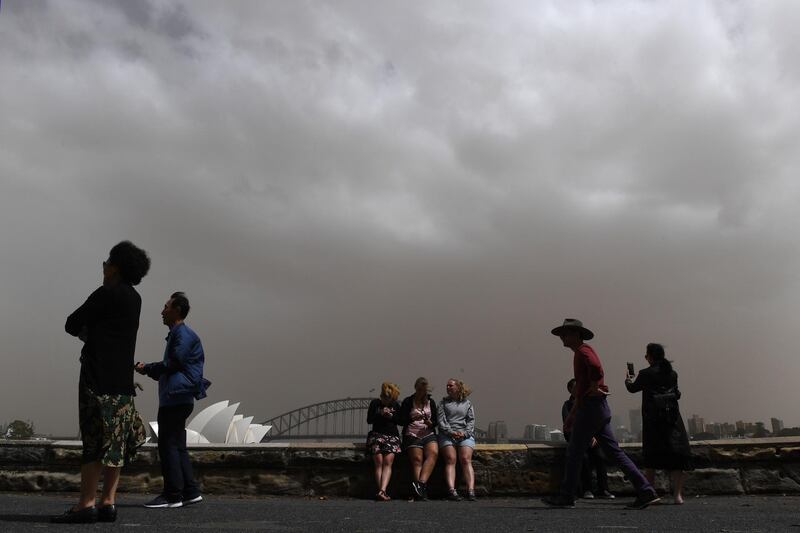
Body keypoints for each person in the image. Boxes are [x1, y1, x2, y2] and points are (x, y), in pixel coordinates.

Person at [53, 241, 150, 524]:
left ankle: (85, 504)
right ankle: (108, 501)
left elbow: (72, 323)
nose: (104, 266)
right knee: (116, 443)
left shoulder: (105, 293)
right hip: (122, 383)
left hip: (97, 379)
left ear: (115, 267)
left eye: (106, 262)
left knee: (93, 442)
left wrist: (90, 332)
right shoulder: (136, 299)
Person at [543, 319, 660, 509]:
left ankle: (566, 496)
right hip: (596, 408)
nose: (562, 338)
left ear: (577, 334)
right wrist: (573, 414)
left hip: (590, 409)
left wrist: (595, 386)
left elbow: (596, 367)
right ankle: (646, 490)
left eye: (566, 333)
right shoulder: (582, 351)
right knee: (615, 453)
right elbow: (581, 391)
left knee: (574, 453)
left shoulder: (583, 351)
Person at [135, 292, 208, 508]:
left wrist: (148, 368)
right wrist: (148, 370)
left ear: (176, 310)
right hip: (179, 397)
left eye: (166, 307)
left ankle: (172, 495)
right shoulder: (179, 335)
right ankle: (190, 491)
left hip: (175, 398)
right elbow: (172, 366)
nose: (162, 311)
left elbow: (174, 364)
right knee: (178, 445)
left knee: (167, 445)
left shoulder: (183, 334)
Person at [625, 343, 692, 504]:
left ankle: (650, 492)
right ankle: (678, 496)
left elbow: (633, 388)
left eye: (646, 355)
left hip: (653, 420)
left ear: (650, 356)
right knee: (677, 457)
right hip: (672, 418)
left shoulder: (645, 373)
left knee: (651, 458)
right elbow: (677, 393)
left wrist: (628, 379)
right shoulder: (672, 373)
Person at [561, 378, 614, 500]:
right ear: (570, 390)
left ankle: (604, 489)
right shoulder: (568, 405)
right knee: (583, 457)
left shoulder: (587, 402)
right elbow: (568, 425)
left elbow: (594, 421)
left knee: (599, 456)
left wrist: (593, 436)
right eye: (575, 387)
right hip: (577, 438)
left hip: (591, 437)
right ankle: (587, 489)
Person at [398, 377, 439, 501]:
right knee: (417, 460)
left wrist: (429, 422)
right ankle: (421, 492)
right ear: (416, 388)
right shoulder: (407, 401)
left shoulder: (430, 402)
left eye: (424, 390)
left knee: (433, 453)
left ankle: (420, 485)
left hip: (428, 433)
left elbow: (435, 422)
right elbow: (400, 420)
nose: (422, 392)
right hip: (412, 434)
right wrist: (412, 419)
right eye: (420, 389)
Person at [437, 379, 477, 501]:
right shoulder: (443, 403)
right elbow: (441, 422)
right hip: (447, 435)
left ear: (458, 387)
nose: (448, 387)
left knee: (465, 459)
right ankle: (451, 490)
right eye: (447, 385)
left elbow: (471, 421)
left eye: (451, 385)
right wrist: (452, 433)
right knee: (451, 459)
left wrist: (464, 434)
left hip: (464, 435)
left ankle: (470, 490)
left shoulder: (467, 403)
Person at [366, 382, 402, 501]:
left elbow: (401, 421)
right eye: (384, 398)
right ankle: (381, 490)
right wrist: (380, 413)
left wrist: (390, 416)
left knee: (388, 461)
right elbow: (369, 420)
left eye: (388, 399)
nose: (385, 401)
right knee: (379, 462)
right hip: (377, 435)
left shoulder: (396, 405)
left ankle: (382, 490)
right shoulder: (375, 403)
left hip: (392, 436)